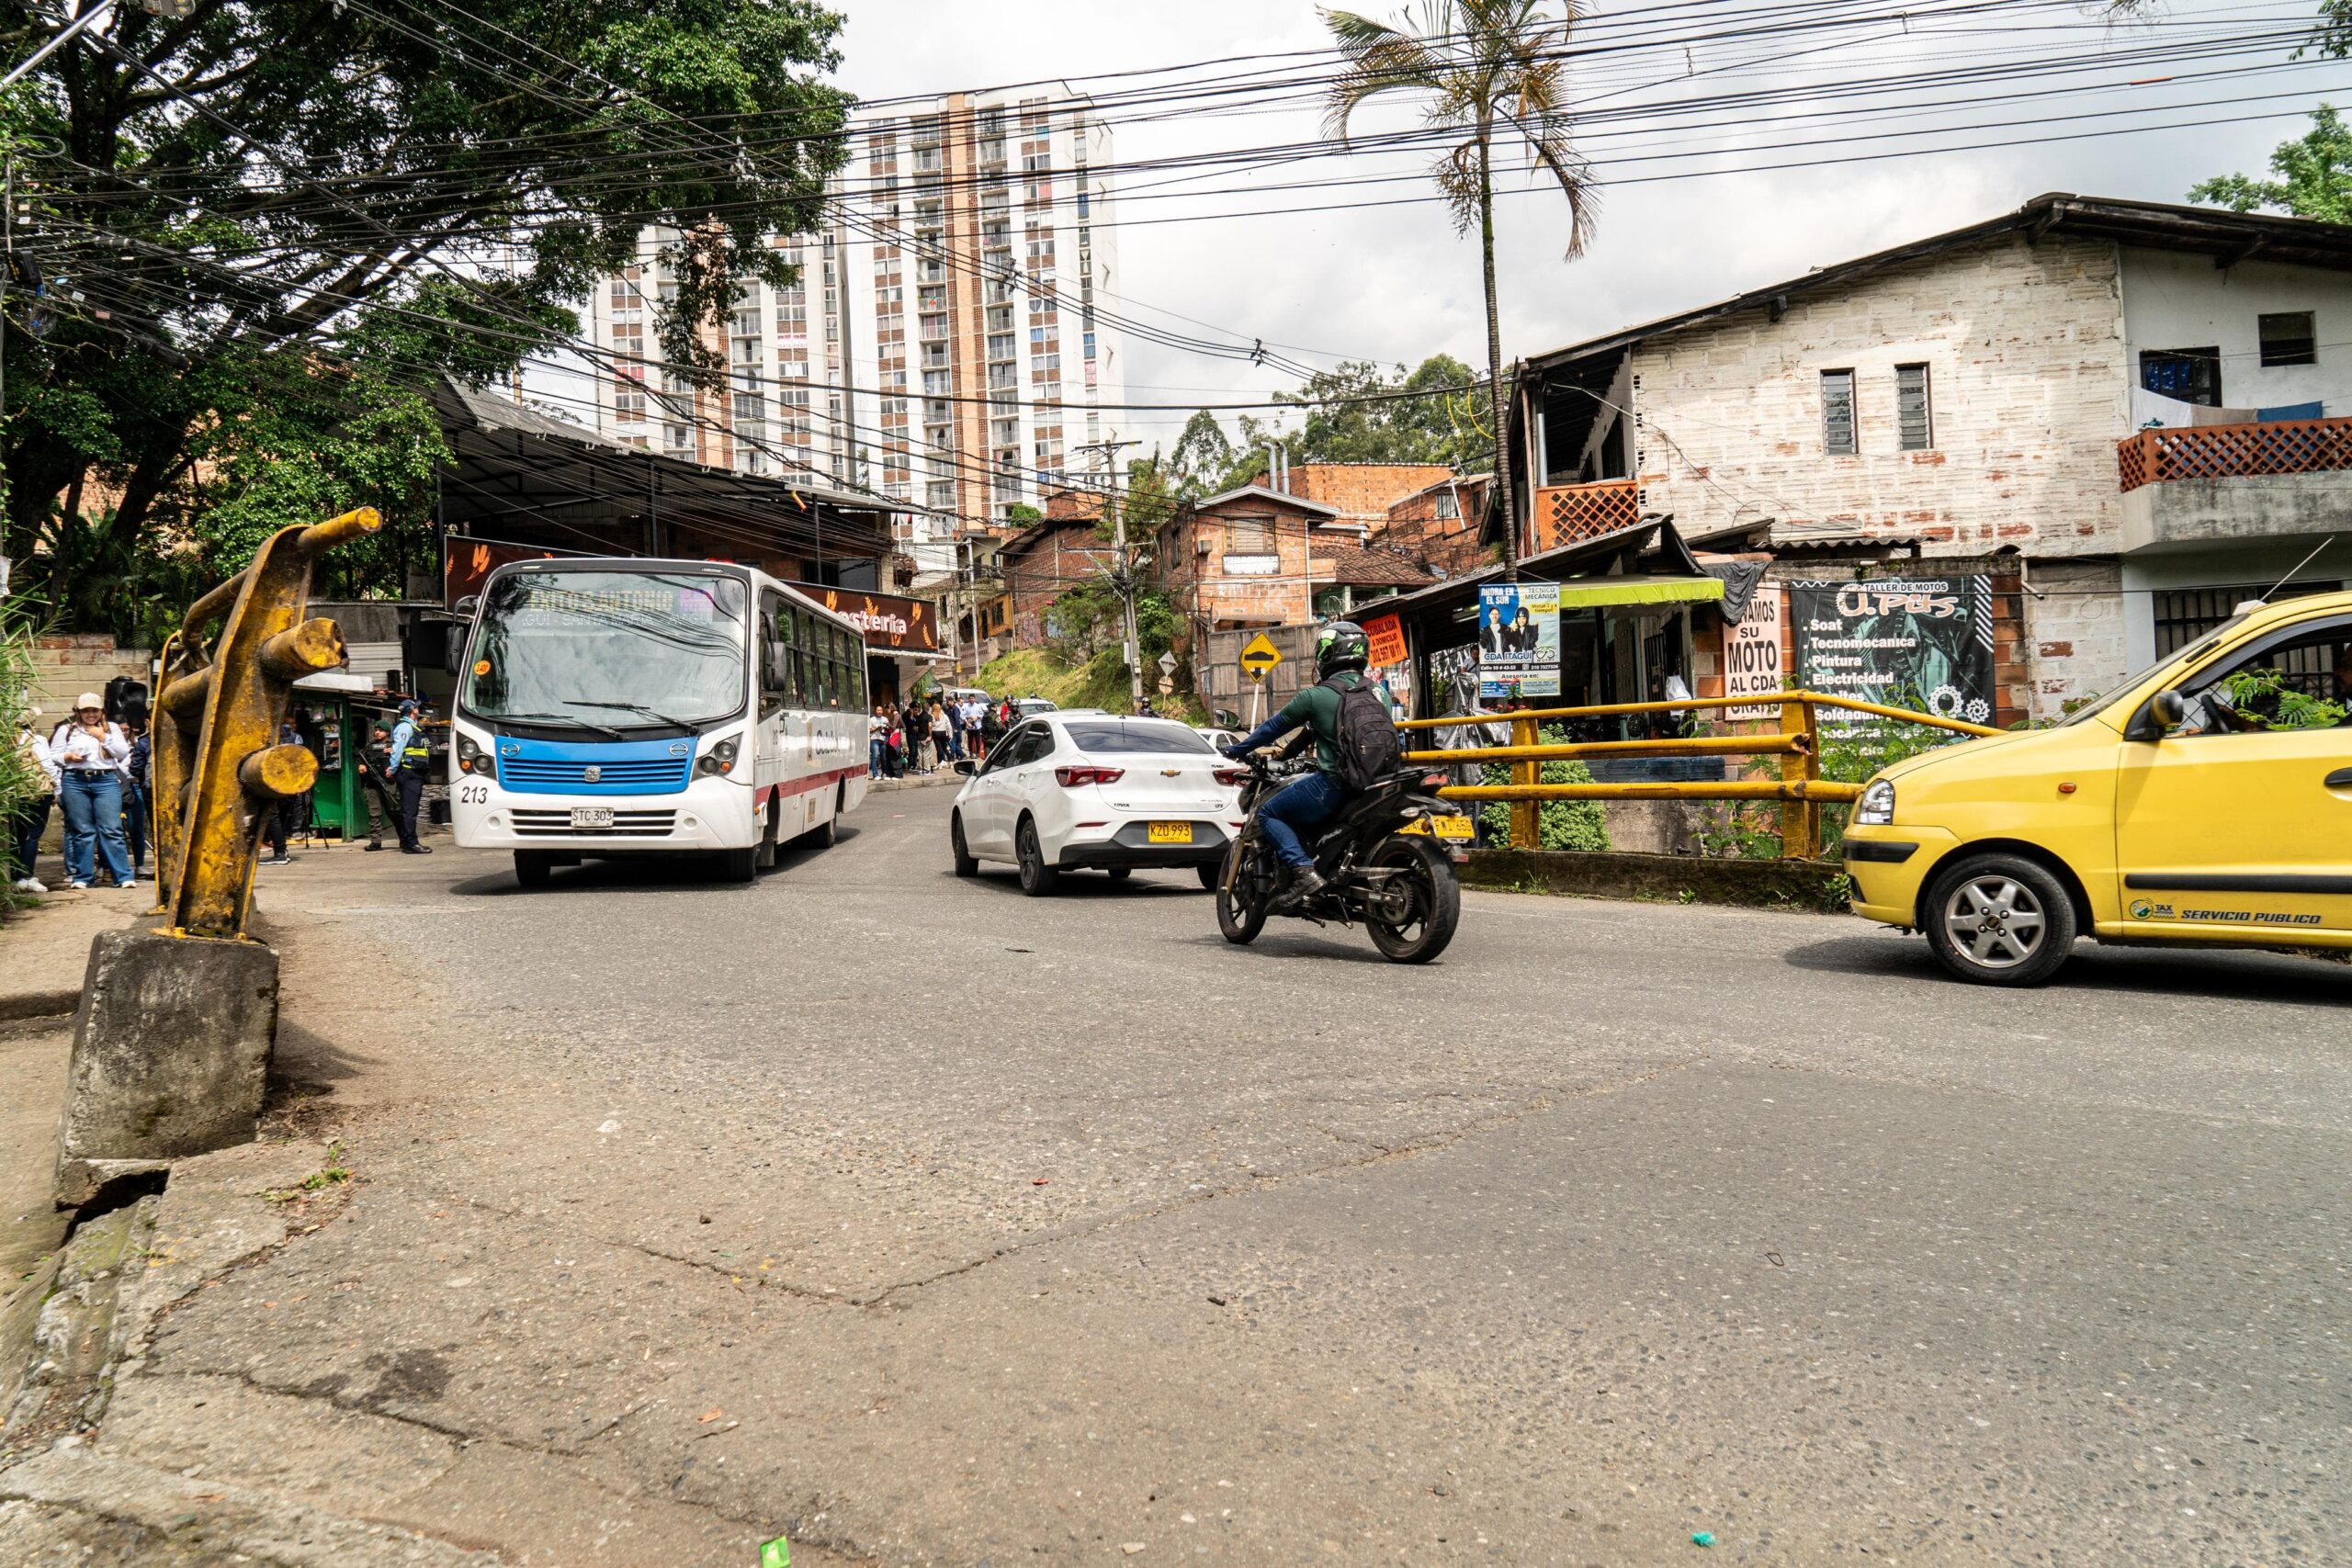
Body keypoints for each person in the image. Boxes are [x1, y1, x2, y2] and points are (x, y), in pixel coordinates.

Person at [1218, 622, 1374, 907]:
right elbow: (1311, 735)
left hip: (1334, 785)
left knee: (1269, 813)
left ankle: (1303, 872)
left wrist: (1236, 749)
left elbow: (1272, 728)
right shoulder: (1379, 694)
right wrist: (1283, 756)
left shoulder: (1316, 696)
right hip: (1374, 784)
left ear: (1326, 654)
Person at [50, 694, 136, 892]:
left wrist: (102, 736)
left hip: (105, 779)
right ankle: (83, 876)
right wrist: (68, 756)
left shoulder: (111, 728)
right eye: (86, 710)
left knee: (112, 829)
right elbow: (53, 754)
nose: (90, 714)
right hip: (75, 779)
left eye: (94, 710)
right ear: (78, 712)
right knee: (82, 831)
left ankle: (123, 875)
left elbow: (122, 752)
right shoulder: (68, 729)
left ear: (101, 712)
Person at [9, 705, 57, 893]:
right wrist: (56, 788)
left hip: (15, 792)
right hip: (36, 791)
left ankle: (14, 876)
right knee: (32, 834)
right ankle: (26, 876)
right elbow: (47, 765)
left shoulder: (8, 741)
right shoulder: (38, 740)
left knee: (17, 834)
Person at [385, 699, 433, 855]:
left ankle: (406, 842)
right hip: (409, 772)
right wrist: (392, 769)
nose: (419, 708)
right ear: (412, 710)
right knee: (410, 810)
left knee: (408, 809)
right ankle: (411, 843)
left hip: (412, 772)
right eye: (417, 707)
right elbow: (397, 750)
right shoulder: (405, 727)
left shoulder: (411, 726)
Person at [352, 721, 394, 851]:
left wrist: (394, 753)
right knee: (374, 813)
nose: (377, 732)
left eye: (380, 730)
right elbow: (360, 757)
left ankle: (405, 838)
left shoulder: (393, 746)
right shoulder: (369, 746)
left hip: (389, 783)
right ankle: (376, 842)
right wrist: (361, 765)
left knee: (395, 810)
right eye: (375, 730)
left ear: (387, 732)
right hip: (371, 783)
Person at [119, 718, 151, 880]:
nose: (124, 733)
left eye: (126, 730)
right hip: (115, 786)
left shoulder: (137, 743)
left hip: (134, 786)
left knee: (136, 827)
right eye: (120, 730)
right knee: (113, 828)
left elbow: (137, 768)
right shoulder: (110, 745)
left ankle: (140, 865)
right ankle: (109, 867)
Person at [869, 704, 889, 779]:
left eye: (881, 710)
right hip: (874, 739)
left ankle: (884, 774)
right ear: (875, 711)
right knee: (874, 757)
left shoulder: (885, 719)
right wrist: (877, 728)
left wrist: (885, 730)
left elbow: (888, 730)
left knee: (884, 757)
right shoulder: (872, 719)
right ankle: (875, 775)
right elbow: (869, 731)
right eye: (878, 710)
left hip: (883, 740)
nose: (879, 712)